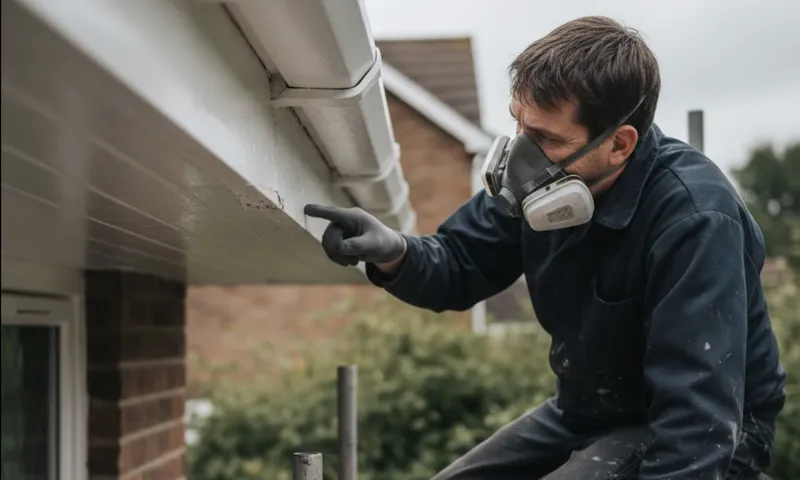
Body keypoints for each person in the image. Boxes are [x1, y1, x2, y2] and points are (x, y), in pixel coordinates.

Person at [305, 16, 786, 480]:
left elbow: (697, 424)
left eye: (545, 139)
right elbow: (460, 262)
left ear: (619, 144)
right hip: (584, 413)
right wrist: (396, 252)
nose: (521, 153)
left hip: (703, 431)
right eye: (519, 127)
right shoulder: (539, 187)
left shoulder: (695, 219)